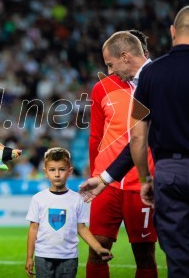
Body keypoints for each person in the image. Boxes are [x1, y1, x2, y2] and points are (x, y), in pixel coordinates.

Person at [84, 30, 158, 278]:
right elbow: (95, 136)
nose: (109, 69)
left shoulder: (155, 83)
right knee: (97, 250)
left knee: (145, 256)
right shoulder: (101, 89)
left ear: (127, 56)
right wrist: (97, 174)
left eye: (110, 63)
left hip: (141, 185)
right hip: (107, 184)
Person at [130, 5, 189, 277]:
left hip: (170, 172)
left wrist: (145, 179)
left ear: (172, 31)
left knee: (178, 257)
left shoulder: (151, 75)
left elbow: (138, 135)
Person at [25, 147, 112, 278]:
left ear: (70, 171)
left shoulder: (77, 199)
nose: (57, 174)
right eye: (52, 170)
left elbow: (82, 228)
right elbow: (33, 229)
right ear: (45, 172)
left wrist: (98, 248)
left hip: (69, 257)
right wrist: (29, 257)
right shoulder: (38, 198)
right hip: (43, 256)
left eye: (62, 169)